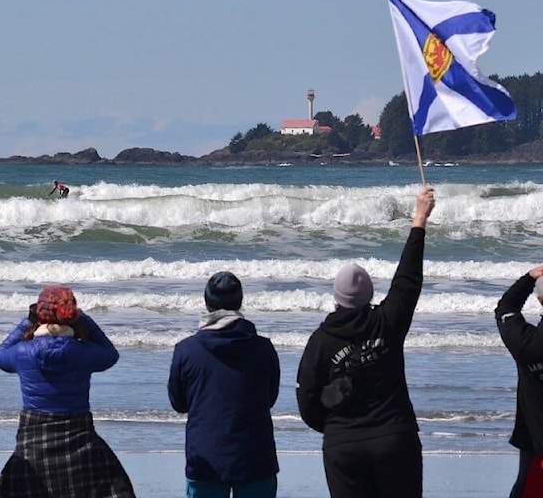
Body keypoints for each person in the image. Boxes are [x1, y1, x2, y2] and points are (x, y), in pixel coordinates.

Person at [295, 186, 435, 498]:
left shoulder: (320, 342)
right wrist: (419, 220)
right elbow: (408, 279)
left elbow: (307, 402)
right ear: (369, 295)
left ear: (336, 297)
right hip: (394, 439)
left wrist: (336, 427)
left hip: (343, 448)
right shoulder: (387, 322)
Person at [0, 284, 135, 497]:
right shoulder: (83, 351)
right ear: (71, 314)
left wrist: (28, 321)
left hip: (33, 439)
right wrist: (82, 318)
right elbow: (110, 354)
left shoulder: (23, 352)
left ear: (40, 313)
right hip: (80, 438)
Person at [168, 271, 280, 498]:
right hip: (255, 456)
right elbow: (270, 399)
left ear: (207, 303)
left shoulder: (187, 350)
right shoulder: (263, 348)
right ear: (240, 302)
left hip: (206, 457)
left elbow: (179, 403)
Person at [495, 266, 543, 497]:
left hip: (536, 440)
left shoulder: (526, 344)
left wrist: (529, 278)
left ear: (540, 300)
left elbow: (505, 308)